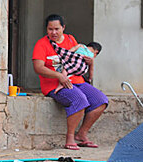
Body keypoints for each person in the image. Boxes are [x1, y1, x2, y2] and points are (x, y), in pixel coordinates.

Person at [32, 14, 108, 150]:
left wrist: (89, 61)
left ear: (63, 28)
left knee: (100, 100)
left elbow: (78, 59)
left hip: (76, 80)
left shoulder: (71, 39)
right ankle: (70, 138)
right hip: (54, 85)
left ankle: (82, 134)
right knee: (79, 99)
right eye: (50, 29)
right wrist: (58, 76)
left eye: (57, 29)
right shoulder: (42, 44)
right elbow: (38, 68)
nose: (53, 32)